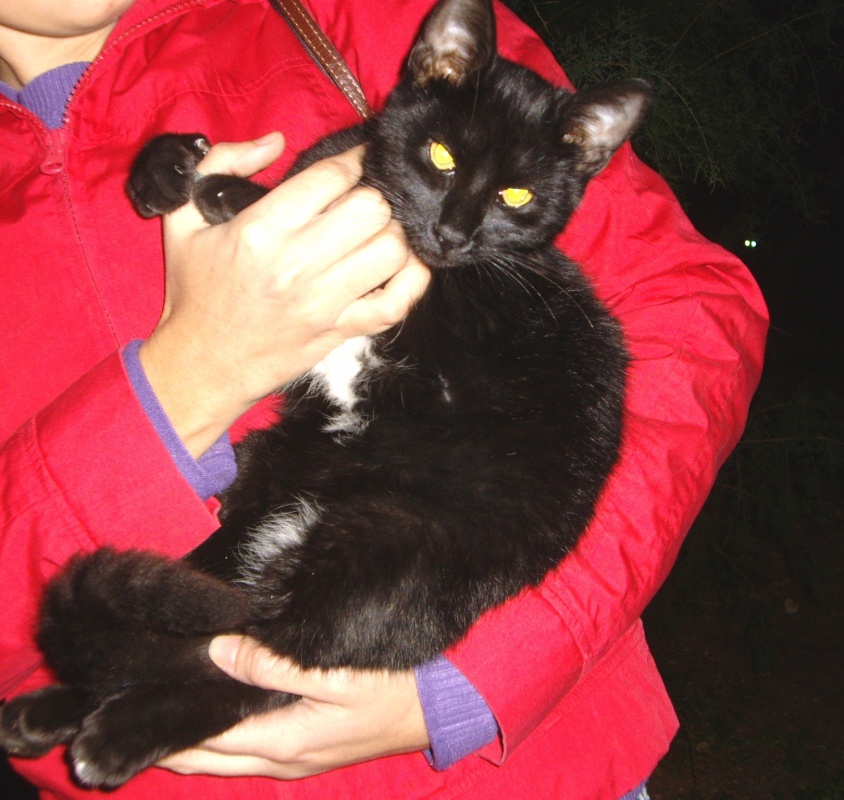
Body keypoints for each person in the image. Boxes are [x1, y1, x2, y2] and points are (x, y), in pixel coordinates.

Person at [0, 0, 768, 798]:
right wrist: (191, 375)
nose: (456, 228)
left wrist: (476, 675)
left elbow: (694, 315)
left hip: (526, 764)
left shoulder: (333, 15)